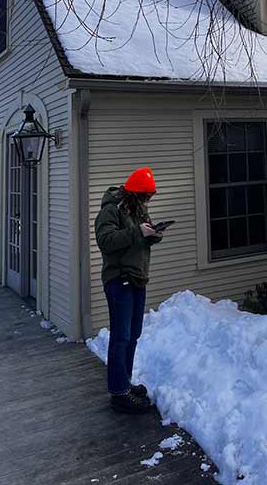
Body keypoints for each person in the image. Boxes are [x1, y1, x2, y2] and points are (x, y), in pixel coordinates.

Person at [95, 166, 165, 414]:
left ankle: (124, 382)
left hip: (138, 277)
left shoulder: (138, 209)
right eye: (145, 196)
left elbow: (139, 237)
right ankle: (118, 394)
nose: (147, 201)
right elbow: (106, 241)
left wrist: (153, 234)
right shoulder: (110, 210)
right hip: (119, 279)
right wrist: (138, 232)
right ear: (133, 193)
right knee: (121, 336)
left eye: (149, 197)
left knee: (133, 334)